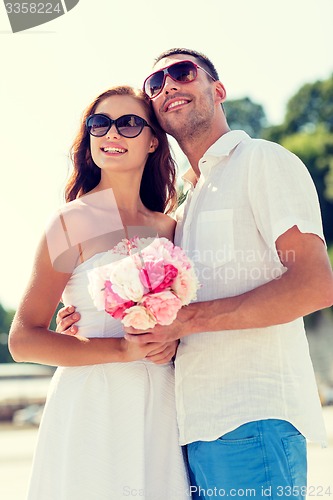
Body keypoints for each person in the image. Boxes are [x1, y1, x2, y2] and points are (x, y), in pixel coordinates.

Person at [57, 50, 333, 500]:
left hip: (254, 419)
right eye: (155, 82)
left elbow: (315, 284)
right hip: (189, 430)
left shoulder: (260, 160)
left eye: (182, 72)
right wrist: (86, 320)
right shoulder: (184, 207)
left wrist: (186, 321)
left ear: (218, 91)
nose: (168, 85)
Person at [9, 85, 190, 500]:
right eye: (99, 123)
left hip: (160, 403)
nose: (111, 133)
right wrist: (122, 351)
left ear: (152, 141)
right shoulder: (70, 222)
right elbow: (23, 339)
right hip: (90, 402)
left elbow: (187, 317)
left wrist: (175, 341)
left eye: (128, 124)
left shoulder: (170, 229)